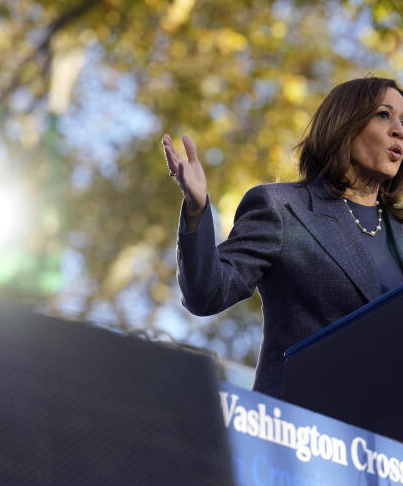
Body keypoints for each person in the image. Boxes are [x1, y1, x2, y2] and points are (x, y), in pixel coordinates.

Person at [162, 77, 403, 399]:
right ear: (345, 124)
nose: (398, 129)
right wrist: (197, 208)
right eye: (384, 115)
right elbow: (207, 293)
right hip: (303, 429)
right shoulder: (284, 209)